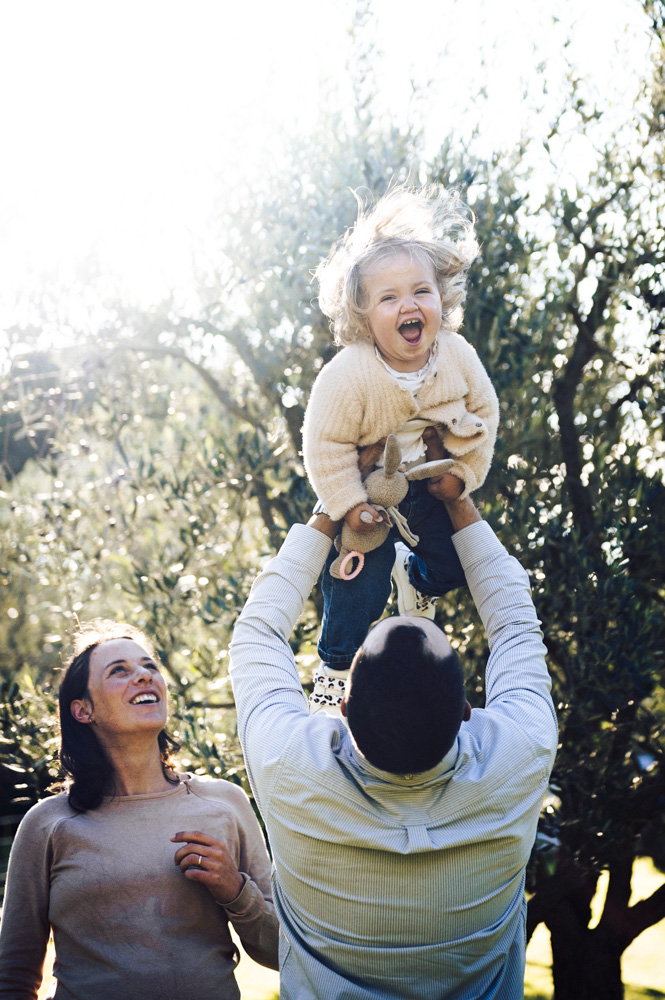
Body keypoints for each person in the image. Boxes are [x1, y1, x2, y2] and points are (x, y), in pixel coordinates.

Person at [229, 484, 558, 1000]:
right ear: (467, 715)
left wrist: (331, 503)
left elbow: (256, 634)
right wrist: (458, 500)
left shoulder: (289, 765)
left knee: (338, 644)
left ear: (341, 712)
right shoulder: (517, 755)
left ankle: (342, 654)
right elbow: (517, 625)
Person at [0, 621, 278, 1000]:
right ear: (83, 710)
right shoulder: (48, 824)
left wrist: (235, 889)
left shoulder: (225, 802)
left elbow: (282, 952)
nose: (144, 677)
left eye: (150, 667)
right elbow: (13, 976)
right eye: (120, 671)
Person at [301, 185, 500, 709]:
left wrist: (463, 477)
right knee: (354, 586)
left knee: (456, 565)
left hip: (429, 489)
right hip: (371, 497)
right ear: (365, 317)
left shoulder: (456, 355)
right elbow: (325, 445)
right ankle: (334, 667)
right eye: (388, 298)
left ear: (442, 297)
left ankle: (417, 582)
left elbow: (484, 413)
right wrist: (350, 505)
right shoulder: (349, 375)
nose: (408, 305)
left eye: (420, 291)